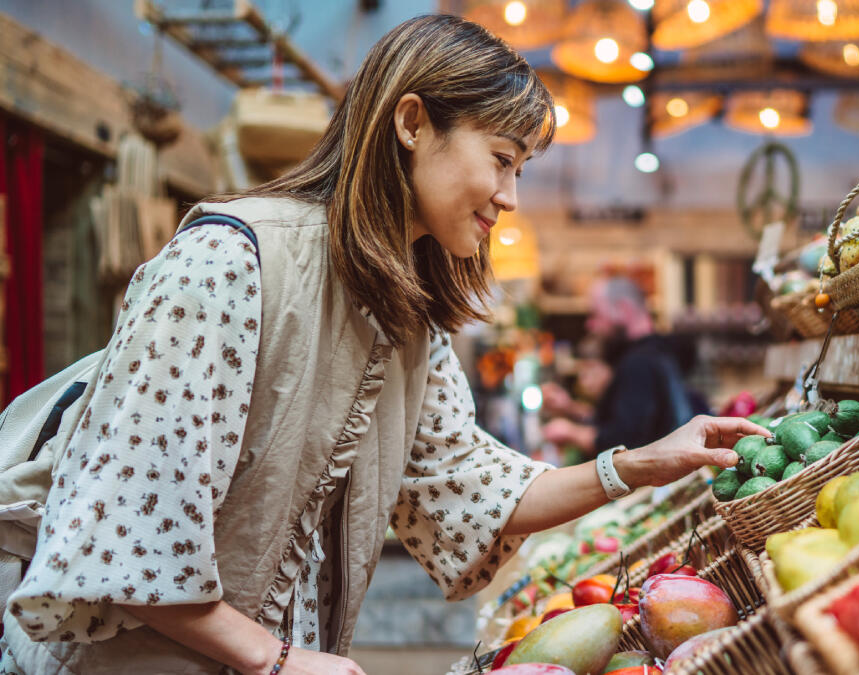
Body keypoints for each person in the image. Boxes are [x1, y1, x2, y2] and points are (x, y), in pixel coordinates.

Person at [0, 14, 766, 675]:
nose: (511, 196)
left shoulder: (405, 318)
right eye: (502, 160)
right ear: (411, 123)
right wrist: (274, 655)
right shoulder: (229, 265)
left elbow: (473, 491)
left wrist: (640, 464)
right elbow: (124, 539)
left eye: (521, 169)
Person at [542, 277, 709, 457]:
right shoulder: (657, 353)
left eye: (596, 314)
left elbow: (623, 443)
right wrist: (570, 408)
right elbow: (622, 418)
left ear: (624, 309)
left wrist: (570, 432)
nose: (589, 324)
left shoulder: (639, 364)